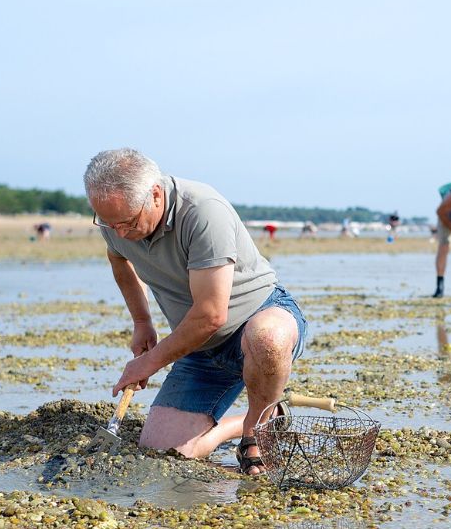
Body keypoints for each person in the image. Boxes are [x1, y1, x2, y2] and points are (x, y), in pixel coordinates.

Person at [83, 148, 308, 476]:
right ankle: (266, 418)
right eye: (107, 222)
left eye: (127, 222)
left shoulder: (203, 212)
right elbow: (119, 257)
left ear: (155, 195)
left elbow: (211, 315)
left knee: (268, 338)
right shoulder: (115, 220)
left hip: (256, 320)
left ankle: (255, 431)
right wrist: (142, 322)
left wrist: (149, 361)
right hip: (199, 347)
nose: (118, 232)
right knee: (168, 454)